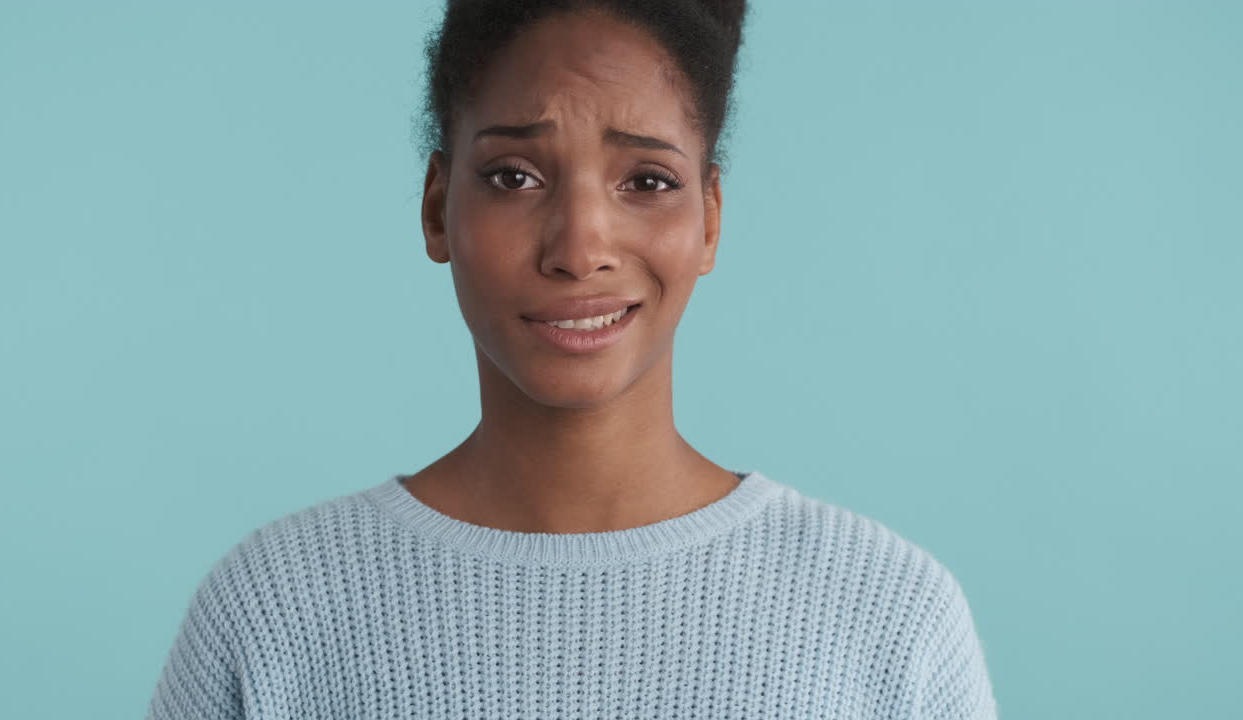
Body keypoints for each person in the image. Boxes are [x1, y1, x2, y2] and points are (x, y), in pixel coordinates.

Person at [145, 1, 999, 718]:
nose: (580, 246)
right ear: (438, 209)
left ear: (710, 217)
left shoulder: (888, 615)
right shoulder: (271, 610)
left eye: (648, 182)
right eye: (516, 176)